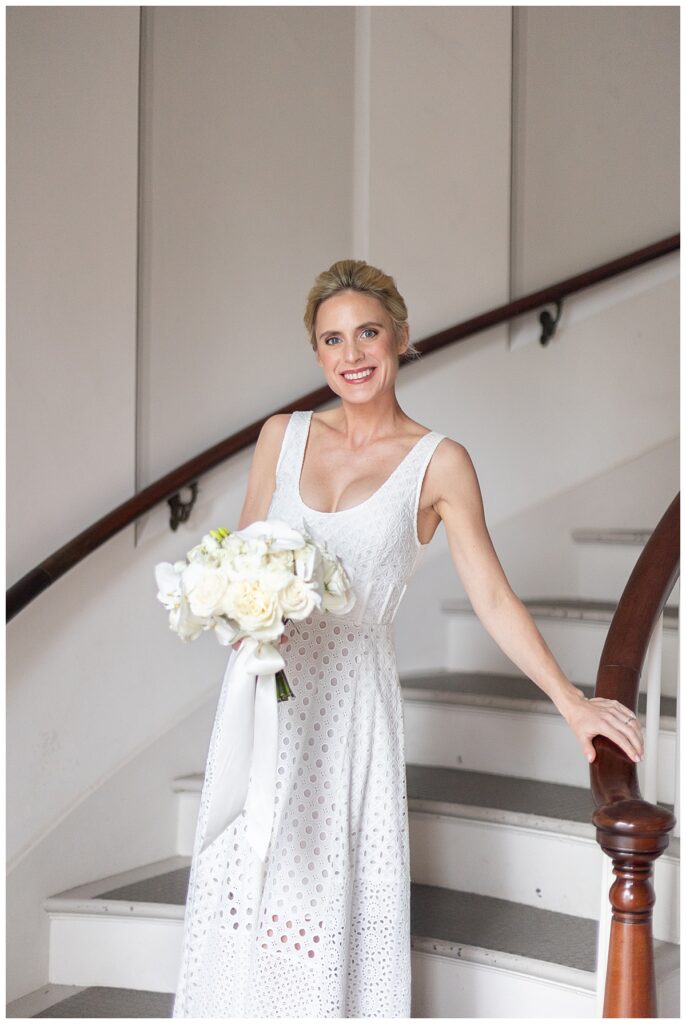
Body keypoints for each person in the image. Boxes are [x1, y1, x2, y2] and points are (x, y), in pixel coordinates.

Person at [172, 259, 644, 1018]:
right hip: (266, 696)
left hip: (351, 709)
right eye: (332, 340)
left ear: (401, 338)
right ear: (316, 353)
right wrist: (235, 618)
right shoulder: (280, 437)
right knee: (245, 882)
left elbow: (489, 595)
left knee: (318, 897)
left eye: (367, 333)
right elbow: (240, 552)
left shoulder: (440, 462)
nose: (351, 355)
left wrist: (571, 701)